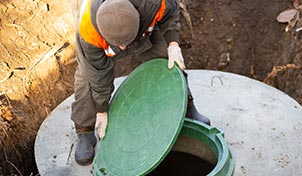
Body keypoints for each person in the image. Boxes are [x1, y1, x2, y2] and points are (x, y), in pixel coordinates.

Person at [72, 0, 210, 165]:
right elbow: (98, 75)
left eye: (125, 43)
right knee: (87, 80)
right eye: (120, 45)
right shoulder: (89, 31)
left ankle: (185, 106)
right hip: (103, 42)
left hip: (143, 31)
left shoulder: (153, 3)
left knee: (167, 62)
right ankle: (84, 131)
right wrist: (101, 110)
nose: (123, 49)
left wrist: (173, 44)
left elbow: (170, 14)